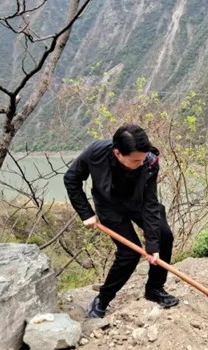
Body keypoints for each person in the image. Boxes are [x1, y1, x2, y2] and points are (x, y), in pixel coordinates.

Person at [64, 124, 178, 318]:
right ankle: (103, 298)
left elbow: (151, 203)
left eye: (143, 158)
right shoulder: (96, 153)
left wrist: (152, 244)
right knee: (129, 253)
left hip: (140, 202)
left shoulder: (149, 161)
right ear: (118, 153)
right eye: (135, 160)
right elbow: (71, 179)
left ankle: (154, 289)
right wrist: (86, 213)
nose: (141, 163)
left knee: (163, 236)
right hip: (110, 207)